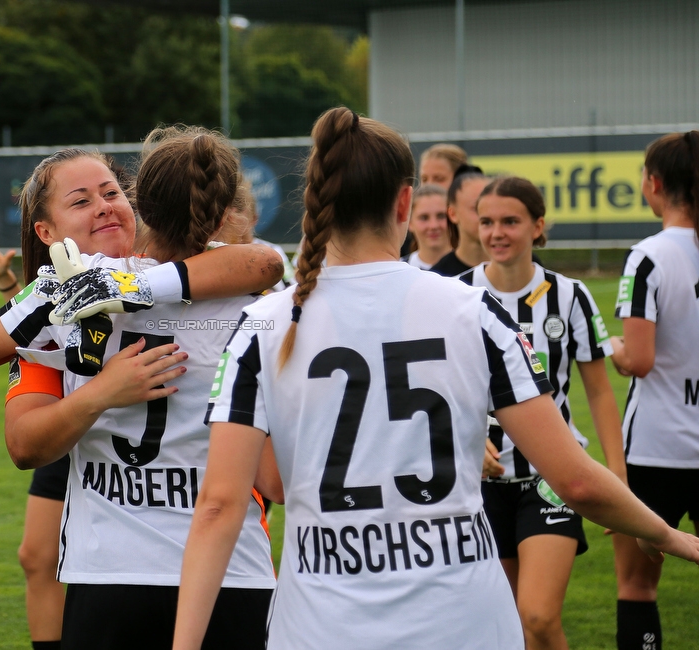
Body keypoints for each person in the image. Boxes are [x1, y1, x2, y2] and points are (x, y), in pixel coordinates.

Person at [170, 107, 699, 650]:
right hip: (463, 624)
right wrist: (669, 535)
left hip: (322, 628)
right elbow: (577, 481)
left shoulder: (262, 324)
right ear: (405, 201)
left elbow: (224, 503)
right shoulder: (476, 312)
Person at [0, 139, 283, 649]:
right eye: (81, 200)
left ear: (139, 206)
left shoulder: (85, 294)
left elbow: (263, 263)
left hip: (163, 571)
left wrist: (121, 286)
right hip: (174, 569)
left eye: (110, 192)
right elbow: (19, 438)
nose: (103, 205)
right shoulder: (58, 302)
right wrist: (99, 391)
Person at [458, 175, 626, 649]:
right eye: (487, 222)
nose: (496, 233)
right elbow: (441, 393)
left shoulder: (570, 295)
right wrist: (469, 443)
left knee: (537, 616)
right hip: (478, 486)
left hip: (549, 480)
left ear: (538, 226)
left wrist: (616, 474)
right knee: (503, 628)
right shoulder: (456, 294)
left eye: (510, 221)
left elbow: (599, 392)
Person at [610, 130, 699, 650]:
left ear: (654, 183)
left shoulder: (647, 256)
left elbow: (639, 360)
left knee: (637, 585)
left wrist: (616, 348)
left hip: (655, 448)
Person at [0, 223, 65, 650]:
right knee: (37, 557)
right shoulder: (66, 273)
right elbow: (46, 332)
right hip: (67, 424)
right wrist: (7, 284)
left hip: (111, 428)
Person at [429, 164, 489, 276]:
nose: (487, 216)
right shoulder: (439, 277)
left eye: (492, 207)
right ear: (452, 214)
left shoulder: (525, 267)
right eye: (476, 208)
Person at [403, 183, 451, 270]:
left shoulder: (472, 271)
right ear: (410, 223)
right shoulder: (399, 271)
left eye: (441, 216)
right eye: (424, 218)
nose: (433, 226)